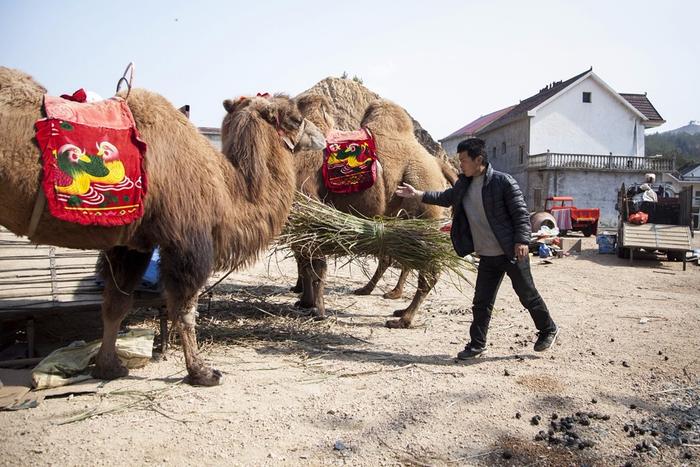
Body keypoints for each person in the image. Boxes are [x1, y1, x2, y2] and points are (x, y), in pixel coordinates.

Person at [395, 138, 559, 359]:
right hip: (488, 255)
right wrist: (417, 194)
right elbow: (445, 198)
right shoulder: (464, 184)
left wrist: (522, 241)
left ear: (478, 159)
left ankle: (548, 329)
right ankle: (476, 344)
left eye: (463, 160)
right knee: (481, 302)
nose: (460, 164)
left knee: (527, 295)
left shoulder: (504, 182)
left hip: (511, 252)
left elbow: (521, 214)